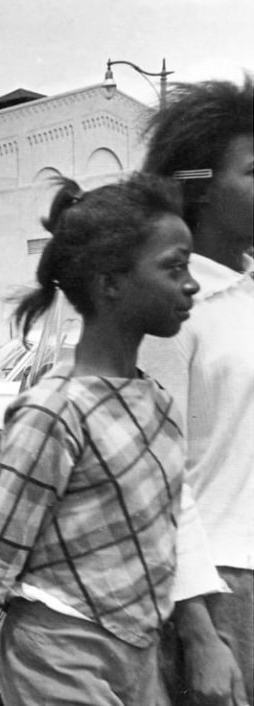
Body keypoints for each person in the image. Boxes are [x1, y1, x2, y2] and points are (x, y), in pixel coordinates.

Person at [0, 175, 240, 706]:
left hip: (137, 653)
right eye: (174, 267)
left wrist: (202, 635)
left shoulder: (156, 401)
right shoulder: (55, 410)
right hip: (58, 657)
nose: (192, 285)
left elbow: (175, 517)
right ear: (110, 283)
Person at [138, 75, 254, 705]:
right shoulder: (174, 311)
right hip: (219, 585)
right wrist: (200, 633)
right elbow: (157, 480)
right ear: (201, 187)